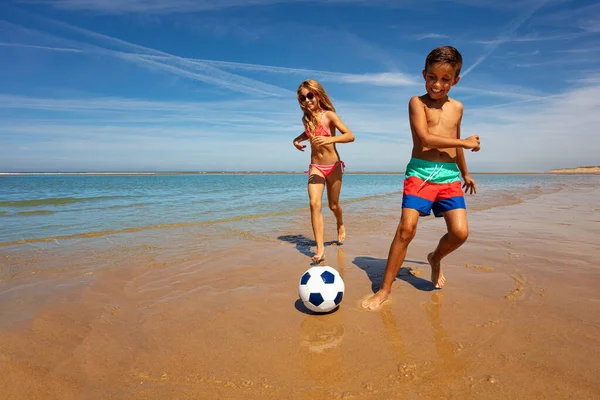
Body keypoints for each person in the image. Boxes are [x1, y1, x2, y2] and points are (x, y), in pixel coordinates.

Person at [362, 46, 481, 310]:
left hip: (449, 175)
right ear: (424, 74)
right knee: (406, 229)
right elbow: (425, 139)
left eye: (445, 79)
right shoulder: (417, 102)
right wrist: (464, 141)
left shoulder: (458, 107)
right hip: (421, 173)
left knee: (460, 233)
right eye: (432, 77)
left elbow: (456, 145)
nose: (437, 84)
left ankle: (434, 258)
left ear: (456, 80)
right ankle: (384, 289)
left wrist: (466, 173)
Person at [292, 79, 355, 263]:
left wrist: (330, 140)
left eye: (310, 95)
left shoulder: (329, 115)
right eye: (302, 98)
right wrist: (297, 139)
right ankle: (320, 250)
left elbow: (350, 136)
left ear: (318, 95)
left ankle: (340, 223)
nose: (307, 100)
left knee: (333, 206)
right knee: (314, 204)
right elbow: (309, 132)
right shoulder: (306, 119)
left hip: (333, 167)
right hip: (316, 167)